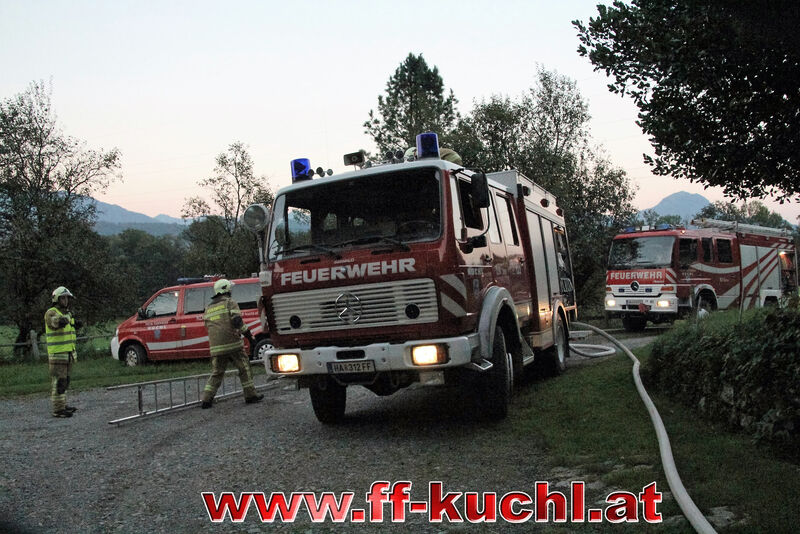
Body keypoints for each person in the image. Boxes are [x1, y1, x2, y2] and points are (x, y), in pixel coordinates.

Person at [200, 279, 264, 408]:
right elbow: (237, 321)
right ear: (226, 290)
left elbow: (208, 326)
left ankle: (206, 399)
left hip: (216, 347)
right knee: (244, 368)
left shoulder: (208, 308)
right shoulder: (230, 303)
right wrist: (249, 337)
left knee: (217, 372)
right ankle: (250, 395)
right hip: (232, 344)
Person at [44, 286, 80, 418]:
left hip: (68, 354)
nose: (66, 301)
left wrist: (75, 324)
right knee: (59, 382)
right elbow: (57, 322)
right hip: (58, 355)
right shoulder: (51, 312)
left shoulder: (67, 313)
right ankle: (58, 410)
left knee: (65, 381)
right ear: (56, 299)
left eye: (67, 298)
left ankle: (62, 405)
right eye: (63, 298)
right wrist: (66, 320)